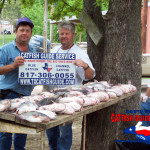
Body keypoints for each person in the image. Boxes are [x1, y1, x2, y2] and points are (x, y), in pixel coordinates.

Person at [46, 21, 96, 150]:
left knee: (64, 131)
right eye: (62, 33)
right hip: (52, 96)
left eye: (67, 34)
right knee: (50, 128)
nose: (64, 36)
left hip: (68, 98)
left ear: (73, 35)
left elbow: (90, 76)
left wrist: (85, 66)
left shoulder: (79, 53)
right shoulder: (55, 49)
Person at [0, 17, 36, 150]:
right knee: (6, 131)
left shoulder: (33, 51)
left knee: (23, 130)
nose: (24, 33)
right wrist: (14, 65)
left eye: (27, 30)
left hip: (26, 96)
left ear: (31, 33)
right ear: (16, 32)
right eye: (22, 30)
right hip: (8, 95)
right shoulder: (5, 49)